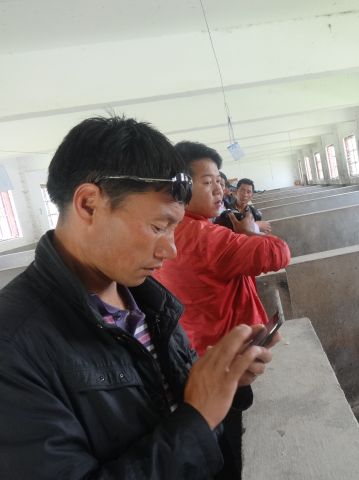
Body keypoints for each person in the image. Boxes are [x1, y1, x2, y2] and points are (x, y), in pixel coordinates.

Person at [0, 116, 275, 479]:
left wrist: (224, 382)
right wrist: (197, 419)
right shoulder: (13, 345)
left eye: (175, 227)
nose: (171, 250)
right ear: (89, 204)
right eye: (159, 227)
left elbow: (174, 398)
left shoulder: (148, 300)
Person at [154, 141, 290, 356]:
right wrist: (249, 233)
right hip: (229, 350)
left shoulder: (165, 229)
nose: (219, 189)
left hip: (195, 349)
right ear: (181, 187)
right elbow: (279, 253)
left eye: (219, 181)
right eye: (208, 182)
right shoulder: (206, 237)